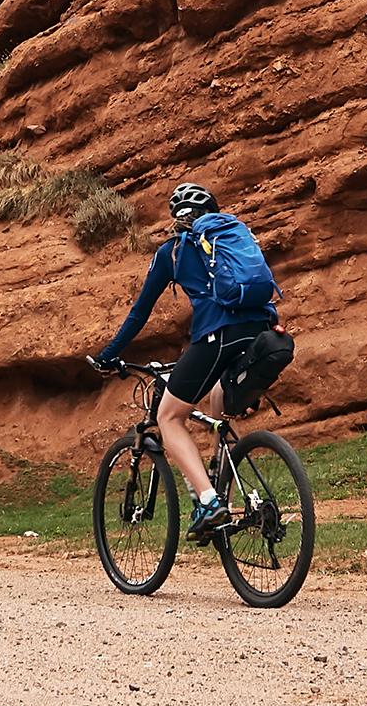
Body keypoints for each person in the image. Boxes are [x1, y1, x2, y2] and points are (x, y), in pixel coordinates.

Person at [87, 181, 280, 539]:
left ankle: (208, 502)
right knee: (217, 401)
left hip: (216, 336)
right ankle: (224, 490)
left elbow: (138, 314)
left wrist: (109, 355)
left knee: (168, 416)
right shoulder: (235, 238)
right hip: (260, 331)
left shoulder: (173, 252)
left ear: (177, 218)